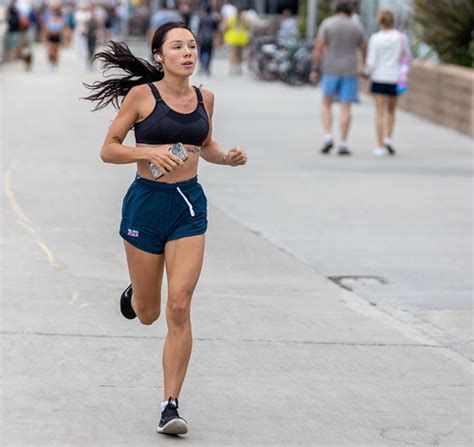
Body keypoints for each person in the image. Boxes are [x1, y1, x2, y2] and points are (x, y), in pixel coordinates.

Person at [83, 21, 247, 436]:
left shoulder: (205, 97)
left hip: (189, 207)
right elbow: (108, 149)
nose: (188, 52)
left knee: (179, 305)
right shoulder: (141, 96)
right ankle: (137, 295)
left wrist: (226, 157)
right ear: (160, 56)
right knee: (149, 313)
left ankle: (169, 404)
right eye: (178, 46)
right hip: (145, 206)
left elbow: (205, 144)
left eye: (192, 45)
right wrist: (149, 150)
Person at [309, 1, 367, 156]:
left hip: (330, 69)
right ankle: (343, 142)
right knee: (346, 106)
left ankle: (328, 136)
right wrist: (364, 66)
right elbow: (364, 47)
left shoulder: (327, 24)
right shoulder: (357, 26)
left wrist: (315, 68)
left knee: (326, 103)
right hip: (350, 70)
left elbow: (318, 47)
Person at [363, 10, 410, 156]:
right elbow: (407, 56)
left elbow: (371, 61)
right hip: (394, 78)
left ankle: (379, 146)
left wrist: (365, 72)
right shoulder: (401, 38)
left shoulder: (375, 38)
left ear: (380, 21)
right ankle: (389, 138)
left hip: (379, 77)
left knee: (379, 113)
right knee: (391, 111)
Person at [223, 6, 249, 74]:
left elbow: (227, 26)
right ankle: (239, 68)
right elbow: (247, 27)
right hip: (242, 38)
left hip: (233, 38)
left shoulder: (232, 17)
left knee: (232, 53)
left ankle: (232, 68)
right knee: (240, 54)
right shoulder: (244, 18)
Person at [197, 5, 219, 75]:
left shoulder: (201, 18)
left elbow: (199, 29)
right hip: (210, 38)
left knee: (201, 52)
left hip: (203, 38)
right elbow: (215, 31)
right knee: (209, 53)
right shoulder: (213, 19)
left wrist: (198, 37)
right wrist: (216, 40)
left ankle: (202, 65)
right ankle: (207, 67)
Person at [45, 6, 64, 72]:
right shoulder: (50, 20)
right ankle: (50, 64)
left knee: (56, 52)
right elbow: (47, 29)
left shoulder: (60, 20)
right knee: (50, 52)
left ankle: (54, 65)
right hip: (51, 37)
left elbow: (61, 30)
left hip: (57, 37)